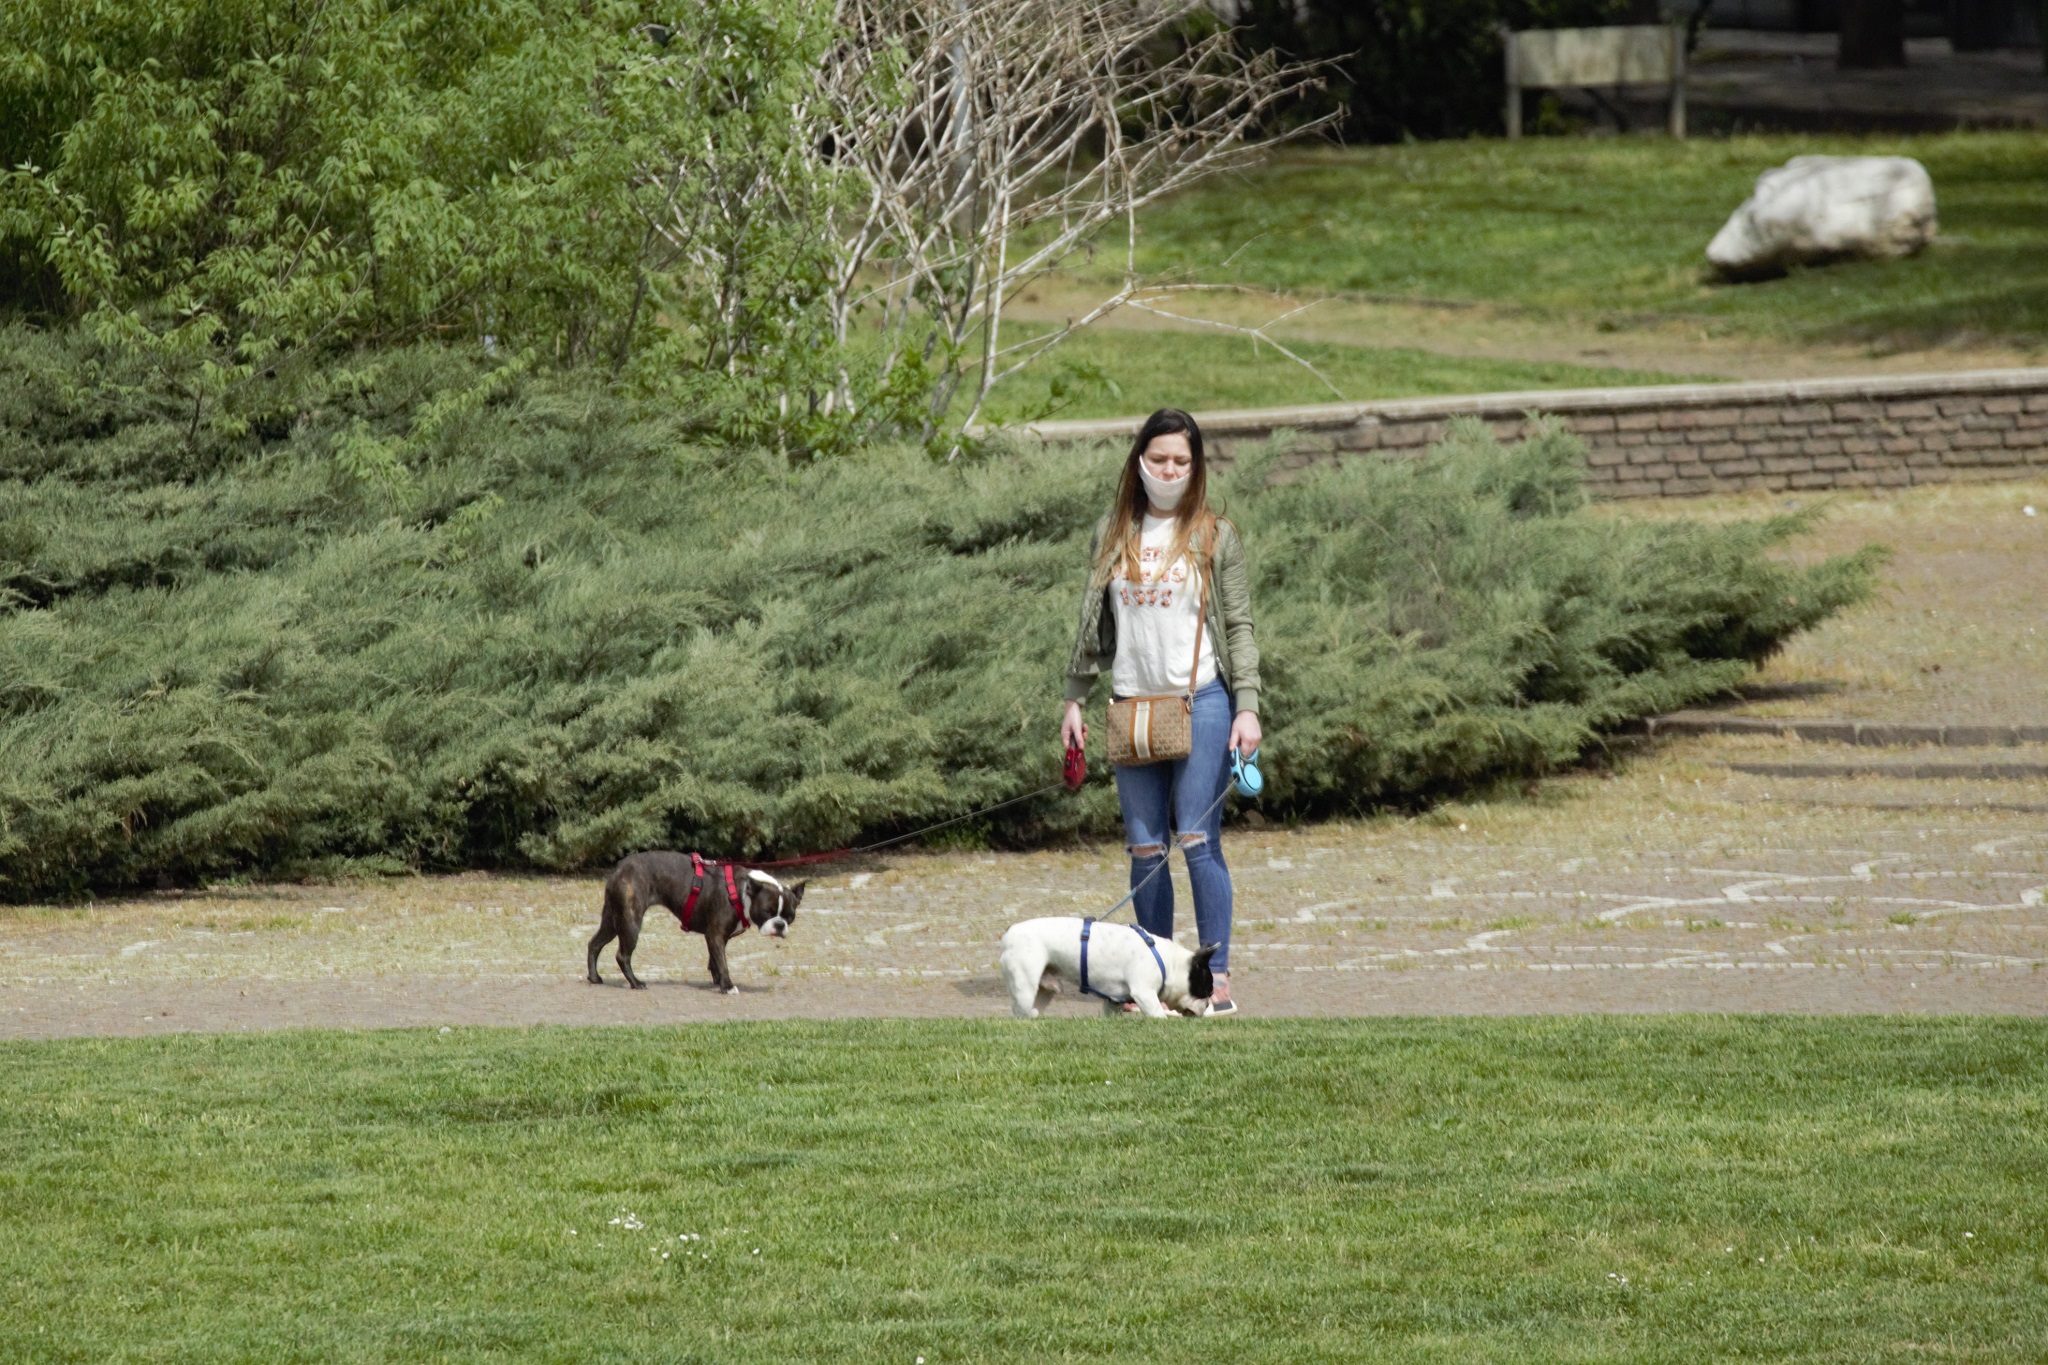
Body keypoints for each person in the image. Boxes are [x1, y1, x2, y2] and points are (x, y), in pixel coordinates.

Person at [1061, 408, 1261, 1015]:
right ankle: (1148, 978)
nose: (1169, 470)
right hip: (1132, 708)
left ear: (1196, 466)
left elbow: (1240, 625)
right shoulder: (1113, 532)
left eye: (1181, 460)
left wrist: (1246, 708)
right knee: (1146, 848)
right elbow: (1090, 625)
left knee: (1198, 839)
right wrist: (1074, 698)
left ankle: (1213, 976)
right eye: (1158, 459)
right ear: (1139, 462)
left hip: (1201, 702)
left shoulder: (1214, 534)